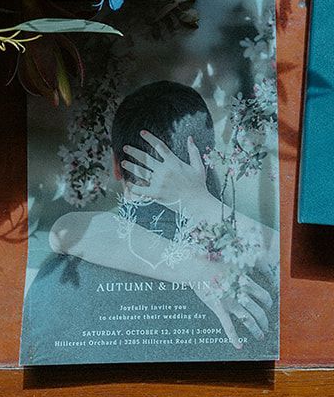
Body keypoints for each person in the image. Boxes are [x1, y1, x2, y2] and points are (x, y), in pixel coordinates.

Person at [44, 81, 277, 349]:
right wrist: (197, 256)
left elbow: (65, 230)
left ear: (115, 167)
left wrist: (198, 207)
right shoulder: (254, 284)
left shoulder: (54, 279)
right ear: (210, 160)